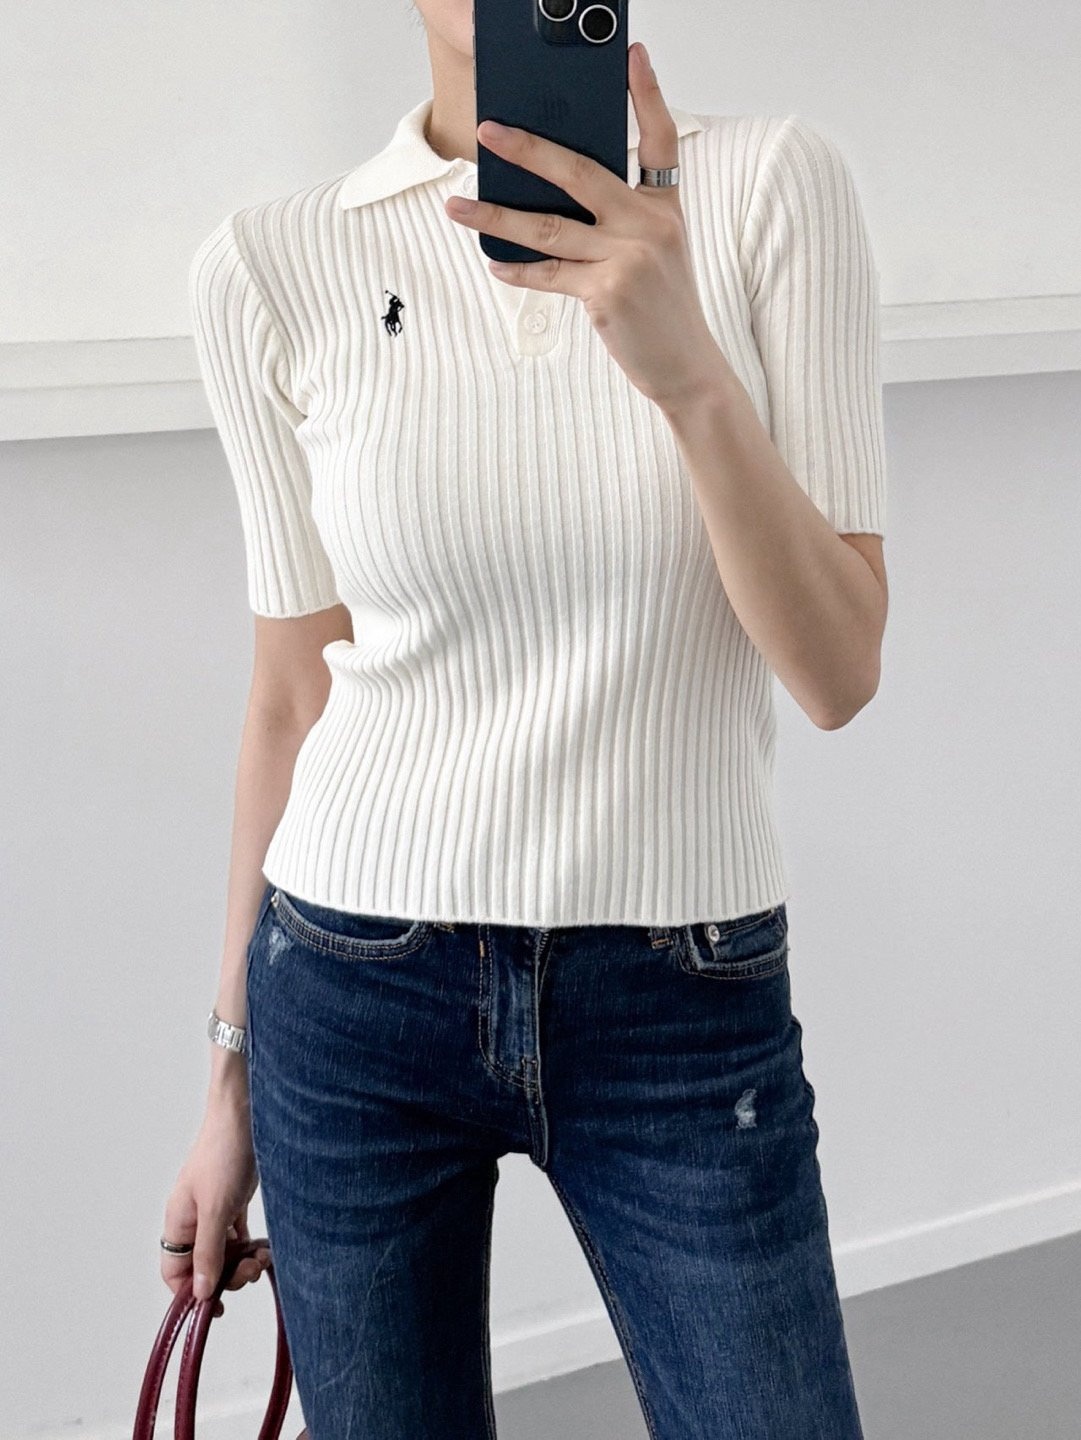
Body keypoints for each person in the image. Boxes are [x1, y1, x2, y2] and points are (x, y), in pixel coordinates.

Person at [162, 2, 889, 1435]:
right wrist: (227, 1087)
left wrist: (688, 373)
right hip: (350, 991)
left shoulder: (770, 188)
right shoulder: (270, 262)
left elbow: (837, 672)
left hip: (679, 996)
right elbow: (291, 696)